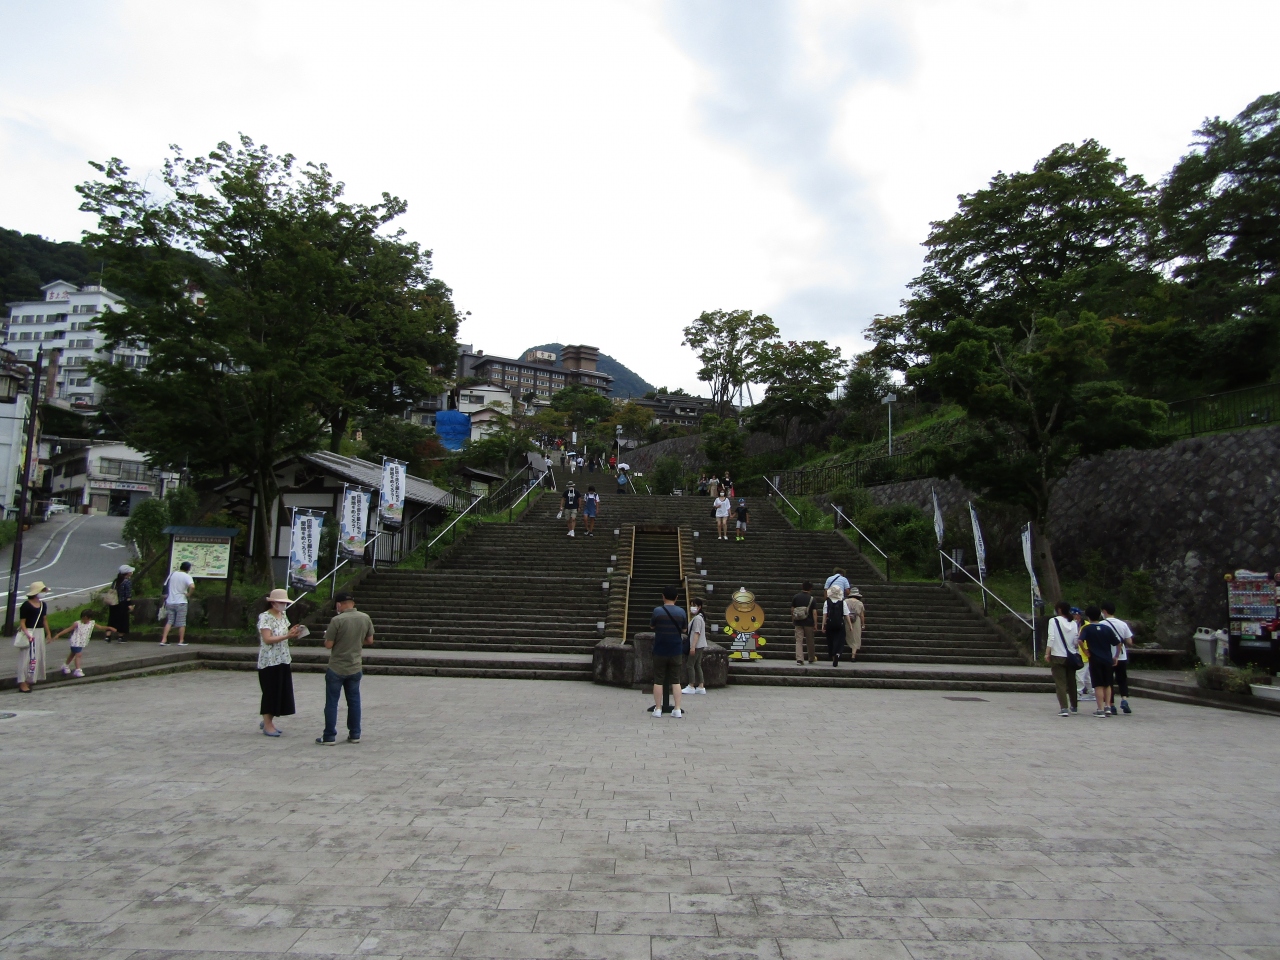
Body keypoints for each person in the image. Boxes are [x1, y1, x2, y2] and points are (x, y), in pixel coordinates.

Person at [318, 591, 375, 745]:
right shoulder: (365, 618)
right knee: (354, 701)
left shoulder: (337, 620)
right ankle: (355, 733)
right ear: (353, 603)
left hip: (337, 666)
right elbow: (370, 640)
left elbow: (329, 644)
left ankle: (329, 736)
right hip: (355, 665)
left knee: (332, 702)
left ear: (339, 604)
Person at [257, 588, 301, 737]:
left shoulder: (283, 615)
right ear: (273, 603)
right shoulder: (265, 617)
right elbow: (267, 639)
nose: (283, 605)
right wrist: (287, 636)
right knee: (270, 691)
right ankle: (267, 723)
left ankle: (269, 719)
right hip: (269, 660)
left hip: (283, 657)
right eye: (281, 602)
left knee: (280, 691)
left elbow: (284, 632)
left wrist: (293, 633)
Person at [650, 585, 687, 718]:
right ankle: (677, 708)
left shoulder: (657, 611)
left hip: (660, 649)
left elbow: (652, 625)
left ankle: (658, 708)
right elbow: (684, 630)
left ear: (663, 596)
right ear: (677, 598)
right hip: (676, 649)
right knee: (676, 680)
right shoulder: (681, 612)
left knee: (658, 680)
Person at [1078, 605, 1119, 718]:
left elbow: (1080, 641)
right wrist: (1116, 656)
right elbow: (1118, 643)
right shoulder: (1106, 628)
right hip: (1107, 659)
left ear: (1088, 616)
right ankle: (1108, 707)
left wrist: (1085, 651)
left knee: (1098, 685)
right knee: (1108, 684)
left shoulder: (1087, 628)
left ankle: (1100, 709)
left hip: (1095, 659)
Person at [14, 581, 51, 693]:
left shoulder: (43, 605)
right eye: (42, 591)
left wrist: (48, 633)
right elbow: (22, 623)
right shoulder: (26, 605)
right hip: (29, 632)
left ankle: (30, 679)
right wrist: (28, 634)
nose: (44, 593)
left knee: (36, 657)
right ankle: (22, 682)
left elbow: (44, 620)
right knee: (26, 658)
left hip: (39, 632)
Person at [1046, 600, 1080, 717]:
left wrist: (1047, 653)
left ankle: (1064, 707)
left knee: (1060, 683)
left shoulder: (1053, 621)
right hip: (1071, 655)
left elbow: (1051, 637)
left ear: (1059, 609)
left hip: (1058, 655)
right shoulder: (1074, 623)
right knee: (1072, 682)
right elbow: (1076, 641)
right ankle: (1074, 706)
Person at [55, 609, 111, 678]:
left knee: (73, 654)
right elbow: (68, 629)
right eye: (83, 618)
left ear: (90, 618)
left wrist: (109, 628)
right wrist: (59, 635)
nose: (84, 620)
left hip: (81, 642)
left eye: (86, 619)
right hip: (75, 641)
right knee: (78, 655)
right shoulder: (77, 624)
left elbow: (100, 627)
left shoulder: (92, 623)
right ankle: (77, 669)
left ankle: (65, 665)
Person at [1101, 602, 1134, 715]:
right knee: (1122, 679)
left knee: (1108, 680)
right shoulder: (1122, 624)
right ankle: (1124, 699)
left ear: (1104, 611)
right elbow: (1130, 641)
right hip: (1121, 656)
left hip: (1107, 656)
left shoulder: (1101, 624)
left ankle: (1111, 704)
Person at [160, 561, 196, 646]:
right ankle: (181, 640)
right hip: (181, 601)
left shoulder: (172, 574)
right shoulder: (187, 576)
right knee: (181, 622)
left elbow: (165, 585)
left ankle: (164, 639)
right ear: (188, 568)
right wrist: (189, 594)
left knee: (169, 621)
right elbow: (192, 587)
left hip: (170, 601)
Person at [820, 583, 855, 666]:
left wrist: (823, 625)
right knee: (839, 640)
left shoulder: (827, 602)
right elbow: (846, 615)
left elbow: (825, 614)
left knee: (831, 640)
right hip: (840, 623)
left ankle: (833, 656)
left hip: (830, 624)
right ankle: (837, 653)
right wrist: (850, 625)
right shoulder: (842, 603)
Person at [681, 596, 708, 696]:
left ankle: (691, 685)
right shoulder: (700, 617)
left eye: (694, 605)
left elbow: (696, 633)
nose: (692, 607)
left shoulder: (697, 619)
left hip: (696, 645)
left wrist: (693, 647)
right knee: (697, 665)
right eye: (691, 605)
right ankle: (701, 685)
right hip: (701, 644)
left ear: (699, 607)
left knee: (690, 664)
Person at [791, 582, 820, 664]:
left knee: (799, 641)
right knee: (810, 640)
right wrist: (815, 624)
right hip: (809, 622)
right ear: (810, 589)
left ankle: (799, 659)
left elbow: (792, 609)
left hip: (798, 622)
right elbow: (814, 612)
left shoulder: (796, 597)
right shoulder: (812, 599)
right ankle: (811, 657)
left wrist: (793, 619)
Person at [106, 565, 134, 644]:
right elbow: (128, 594)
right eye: (130, 571)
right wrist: (129, 604)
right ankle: (120, 637)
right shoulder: (127, 582)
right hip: (122, 603)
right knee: (123, 620)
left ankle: (108, 636)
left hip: (113, 602)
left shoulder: (116, 581)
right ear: (127, 573)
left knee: (112, 619)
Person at [845, 587, 866, 661]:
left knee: (847, 634)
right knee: (856, 638)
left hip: (847, 620)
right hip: (856, 620)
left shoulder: (845, 601)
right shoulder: (860, 603)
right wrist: (863, 624)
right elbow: (862, 615)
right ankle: (853, 655)